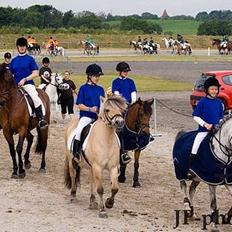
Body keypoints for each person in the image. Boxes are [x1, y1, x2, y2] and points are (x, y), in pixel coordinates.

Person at [187, 77, 224, 179]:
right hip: (204, 130)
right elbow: (196, 116)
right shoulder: (202, 102)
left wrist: (218, 125)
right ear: (207, 90)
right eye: (212, 89)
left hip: (217, 130)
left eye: (216, 89)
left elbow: (221, 118)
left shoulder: (220, 103)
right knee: (196, 143)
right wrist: (205, 125)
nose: (214, 91)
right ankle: (191, 167)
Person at [10, 37, 48, 129]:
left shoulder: (30, 59)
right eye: (20, 46)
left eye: (23, 46)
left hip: (28, 85)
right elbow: (10, 74)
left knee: (35, 97)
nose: (22, 48)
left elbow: (36, 73)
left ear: (26, 47)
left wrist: (25, 79)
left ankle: (41, 119)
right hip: (15, 86)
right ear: (17, 47)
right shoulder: (14, 60)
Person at [72, 64, 105, 164]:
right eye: (95, 76)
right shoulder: (83, 88)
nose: (97, 78)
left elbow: (103, 103)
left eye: (98, 76)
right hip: (86, 117)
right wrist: (90, 109)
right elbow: (80, 105)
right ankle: (76, 153)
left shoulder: (101, 89)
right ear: (90, 76)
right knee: (79, 130)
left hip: (98, 117)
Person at [112, 62, 137, 164]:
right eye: (124, 71)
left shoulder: (131, 81)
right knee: (121, 128)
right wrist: (124, 104)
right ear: (119, 72)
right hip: (120, 107)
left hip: (130, 106)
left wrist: (133, 104)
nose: (126, 73)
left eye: (127, 71)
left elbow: (133, 93)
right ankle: (123, 151)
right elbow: (117, 95)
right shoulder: (115, 82)